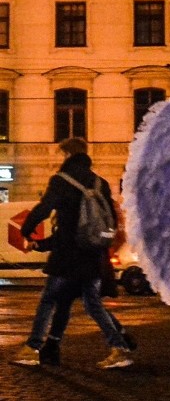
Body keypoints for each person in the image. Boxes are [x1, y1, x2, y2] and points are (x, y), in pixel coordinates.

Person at [11, 138, 134, 370]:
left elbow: (44, 209)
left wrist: (26, 230)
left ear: (67, 155)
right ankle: (119, 349)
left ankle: (32, 347)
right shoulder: (100, 183)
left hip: (67, 255)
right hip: (94, 254)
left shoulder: (60, 181)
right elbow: (111, 218)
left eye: (61, 154)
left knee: (49, 300)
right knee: (92, 304)